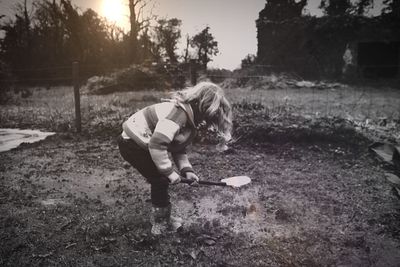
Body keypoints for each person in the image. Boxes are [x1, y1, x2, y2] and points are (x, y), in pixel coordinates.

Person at [117, 82, 233, 235]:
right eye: (206, 116)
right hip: (131, 144)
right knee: (160, 179)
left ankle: (163, 218)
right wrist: (169, 172)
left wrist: (186, 170)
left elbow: (178, 148)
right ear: (200, 105)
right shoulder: (178, 115)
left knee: (161, 179)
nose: (204, 121)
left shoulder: (188, 117)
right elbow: (157, 144)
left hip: (142, 144)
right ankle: (160, 224)